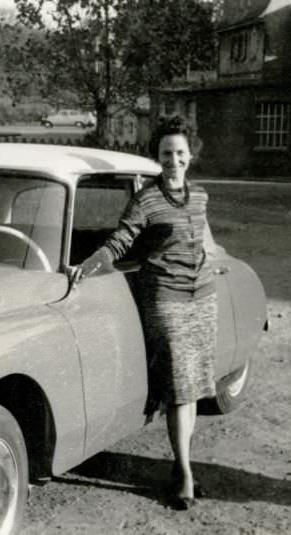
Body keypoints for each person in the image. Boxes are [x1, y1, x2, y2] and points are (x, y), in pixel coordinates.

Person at [78, 116, 217, 510]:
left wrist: (212, 264)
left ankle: (181, 464)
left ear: (190, 154)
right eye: (166, 153)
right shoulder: (146, 199)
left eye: (180, 152)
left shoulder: (200, 196)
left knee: (191, 386)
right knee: (179, 386)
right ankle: (185, 473)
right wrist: (87, 266)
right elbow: (121, 239)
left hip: (202, 299)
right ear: (157, 156)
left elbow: (202, 240)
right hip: (167, 299)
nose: (174, 160)